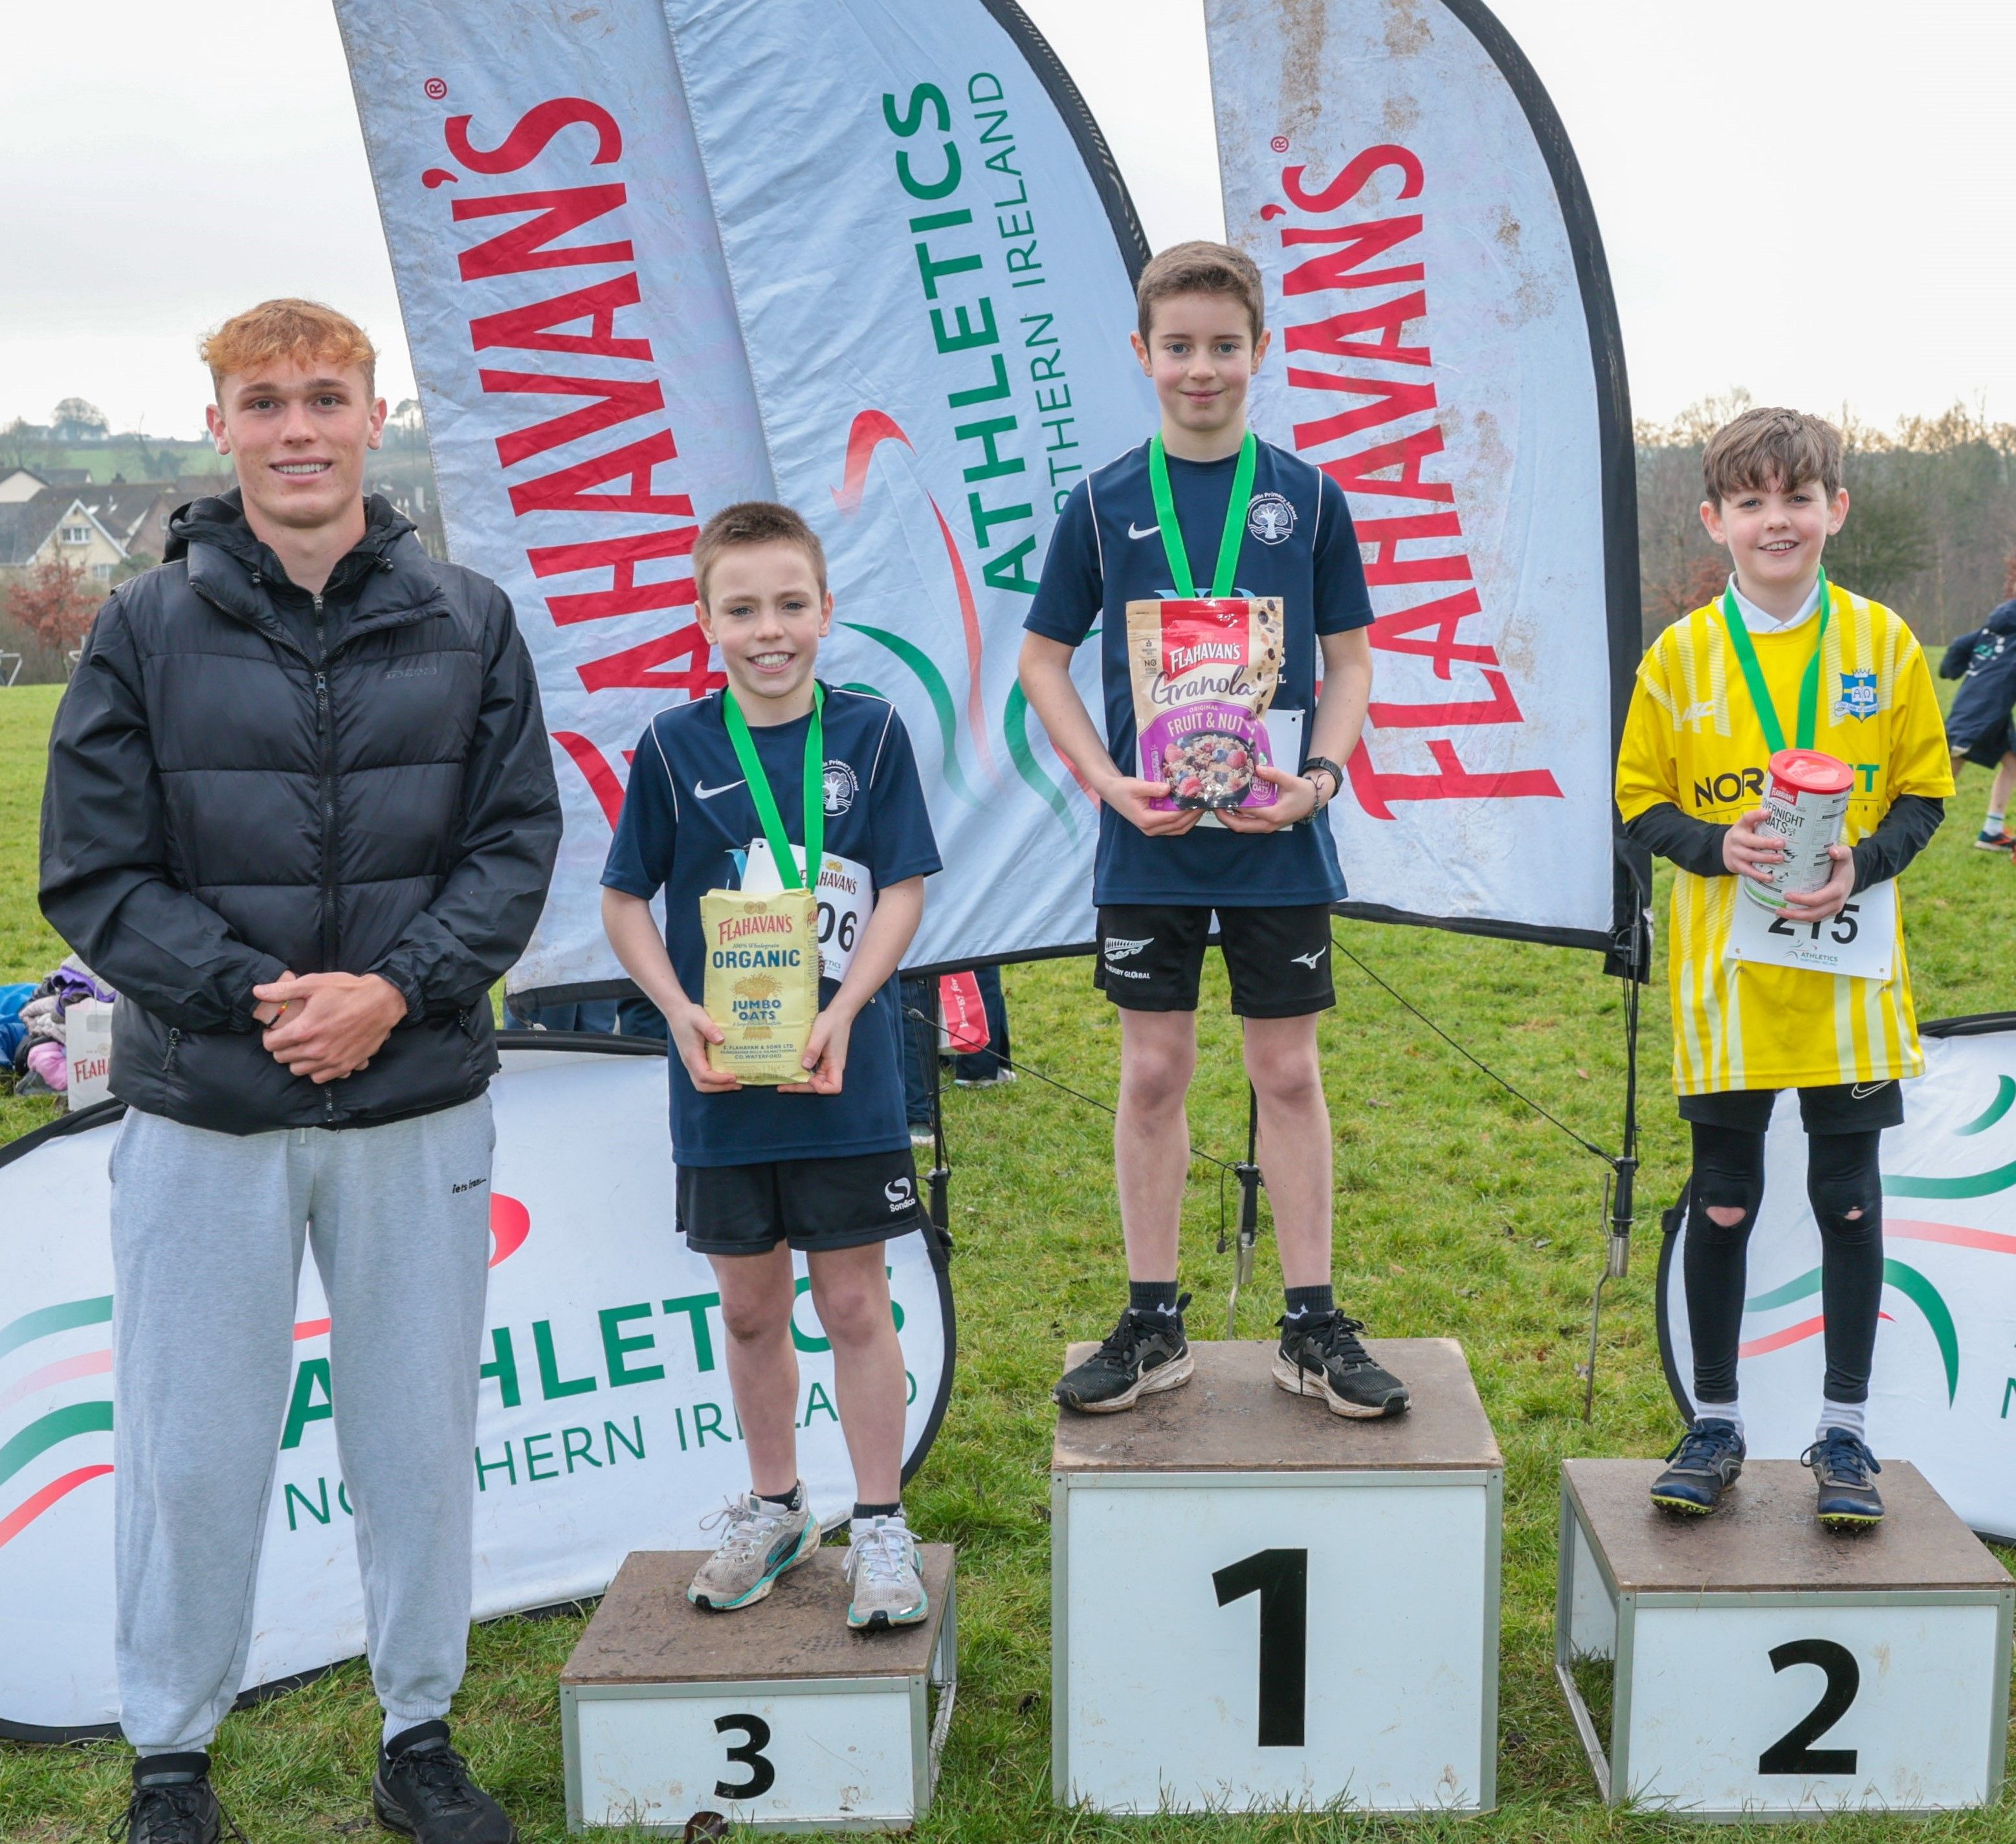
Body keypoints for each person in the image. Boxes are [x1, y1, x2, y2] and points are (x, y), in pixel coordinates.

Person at [39, 300, 560, 1844]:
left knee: (414, 1440)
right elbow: (94, 874)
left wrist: (391, 994)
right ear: (221, 427)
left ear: (372, 410)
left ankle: (419, 1738)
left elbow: (514, 846)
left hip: (416, 1100)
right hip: (212, 1105)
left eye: (324, 397)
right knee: (194, 1449)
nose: (297, 428)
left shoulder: (469, 619)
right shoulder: (142, 627)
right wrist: (272, 1003)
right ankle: (171, 1760)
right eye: (263, 402)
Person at [1017, 241, 1401, 1419]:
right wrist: (1103, 781)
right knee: (1153, 1071)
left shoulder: (1310, 496)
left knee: (1285, 1070)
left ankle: (1310, 1321)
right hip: (1151, 832)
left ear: (1259, 353)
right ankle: (1151, 1320)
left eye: (1222, 347)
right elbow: (1041, 660)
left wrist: (1324, 774)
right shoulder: (1102, 502)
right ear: (1142, 356)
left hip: (1275, 825)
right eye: (1178, 348)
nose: (1201, 369)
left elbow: (1350, 660)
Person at [600, 501, 941, 1629]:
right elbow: (622, 900)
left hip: (845, 1074)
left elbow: (901, 890)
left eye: (791, 604)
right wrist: (679, 1010)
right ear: (705, 621)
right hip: (723, 1085)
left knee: (852, 1299)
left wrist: (848, 1010)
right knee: (749, 1310)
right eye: (741, 608)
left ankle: (881, 1526)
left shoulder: (875, 733)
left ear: (827, 611)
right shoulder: (671, 747)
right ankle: (777, 1505)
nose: (769, 630)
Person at [1616, 406, 1951, 1530]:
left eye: (1796, 499)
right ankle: (1715, 1422)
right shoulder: (1680, 657)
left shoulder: (1885, 645)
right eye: (1751, 502)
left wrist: (1864, 861)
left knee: (1849, 1206)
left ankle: (1845, 1436)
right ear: (1714, 521)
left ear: (1834, 511)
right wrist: (1717, 847)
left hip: (1850, 990)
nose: (1777, 520)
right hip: (1727, 991)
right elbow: (1636, 807)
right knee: (1722, 1202)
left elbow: (1925, 797)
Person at [1938, 571, 2016, 853]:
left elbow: (1958, 648)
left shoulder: (1991, 628)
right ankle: (1897, 825)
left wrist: (1951, 669)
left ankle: (1992, 831)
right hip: (1979, 714)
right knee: (1942, 777)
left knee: (2013, 765)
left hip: (1985, 712)